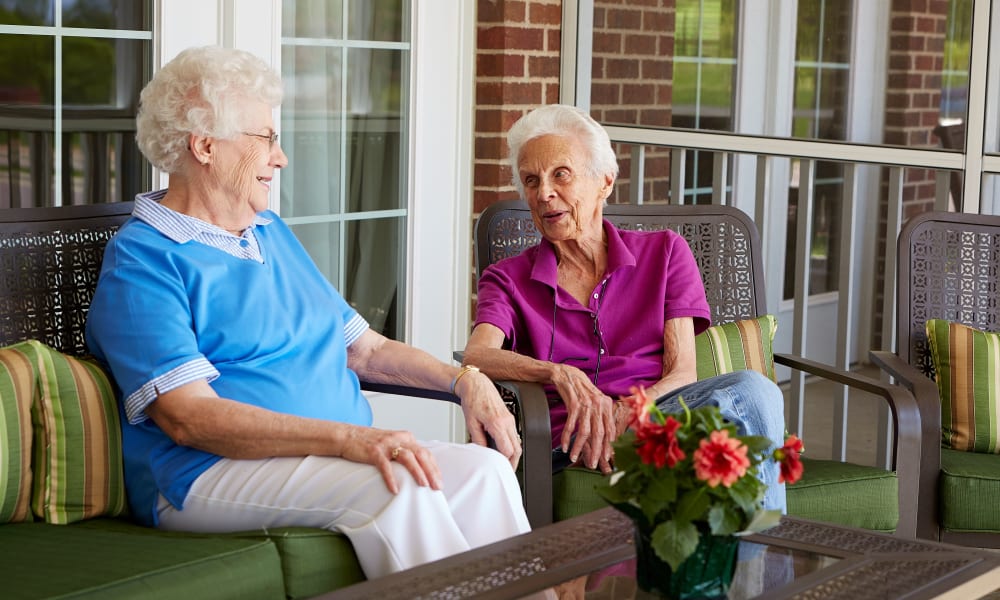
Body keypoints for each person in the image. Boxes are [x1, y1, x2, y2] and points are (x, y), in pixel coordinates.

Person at [84, 46, 530, 580]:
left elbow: (365, 349)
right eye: (266, 138)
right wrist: (349, 440)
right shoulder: (143, 261)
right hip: (202, 473)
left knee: (483, 472)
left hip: (317, 457)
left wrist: (464, 380)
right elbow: (188, 418)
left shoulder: (269, 233)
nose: (281, 157)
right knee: (398, 484)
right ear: (204, 146)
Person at [463, 104, 787, 512]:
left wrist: (626, 413)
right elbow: (477, 355)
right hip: (565, 438)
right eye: (531, 180)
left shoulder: (665, 252)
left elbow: (682, 371)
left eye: (560, 174)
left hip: (655, 418)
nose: (543, 192)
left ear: (605, 182)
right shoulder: (507, 277)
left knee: (755, 391)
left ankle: (764, 559)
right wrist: (558, 372)